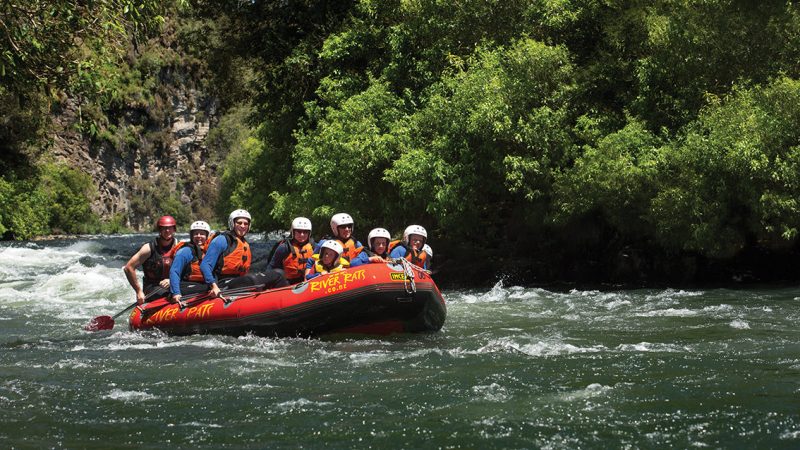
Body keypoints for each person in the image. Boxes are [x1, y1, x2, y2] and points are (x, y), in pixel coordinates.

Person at [200, 209, 288, 298]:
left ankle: (281, 300)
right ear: (232, 223)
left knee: (279, 272)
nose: (243, 226)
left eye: (246, 224)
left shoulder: (244, 243)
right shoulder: (222, 240)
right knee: (254, 279)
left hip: (238, 281)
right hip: (223, 283)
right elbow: (205, 265)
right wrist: (214, 286)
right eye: (239, 223)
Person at [123, 215, 178, 305]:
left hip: (172, 283)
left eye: (170, 228)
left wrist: (172, 280)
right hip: (153, 287)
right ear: (159, 230)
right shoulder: (149, 248)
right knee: (171, 293)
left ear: (174, 229)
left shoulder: (179, 246)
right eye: (164, 228)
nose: (167, 231)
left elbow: (186, 270)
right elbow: (128, 268)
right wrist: (138, 291)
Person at [168, 220, 212, 305]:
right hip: (186, 285)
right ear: (191, 236)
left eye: (202, 234)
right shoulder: (185, 251)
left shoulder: (210, 251)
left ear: (207, 236)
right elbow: (174, 271)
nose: (199, 236)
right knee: (207, 288)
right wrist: (176, 293)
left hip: (203, 284)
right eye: (196, 233)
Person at [267, 216, 315, 284]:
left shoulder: (313, 246)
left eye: (305, 232)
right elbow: (271, 266)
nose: (302, 235)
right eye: (298, 231)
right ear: (293, 232)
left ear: (309, 233)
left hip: (308, 281)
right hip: (289, 283)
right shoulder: (284, 247)